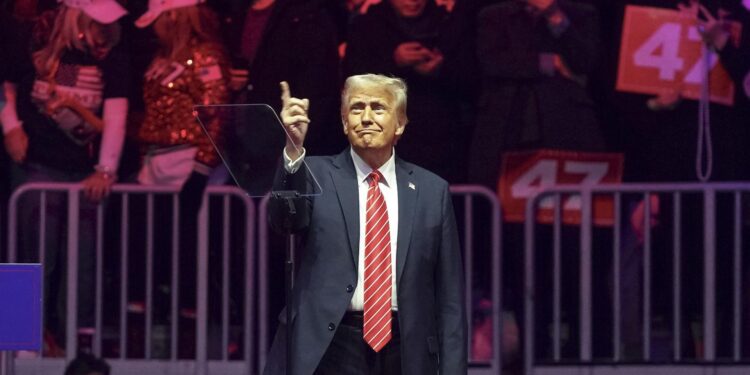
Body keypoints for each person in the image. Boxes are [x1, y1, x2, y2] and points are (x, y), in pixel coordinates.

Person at [263, 74, 467, 374]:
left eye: (378, 108)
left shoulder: (432, 191)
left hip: (405, 348)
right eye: (357, 109)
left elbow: (449, 298)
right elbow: (284, 221)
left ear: (400, 123)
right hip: (330, 344)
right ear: (345, 123)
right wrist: (293, 152)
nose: (366, 117)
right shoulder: (315, 173)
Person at [1, 0, 130, 351]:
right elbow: (6, 85)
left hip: (83, 171)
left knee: (83, 262)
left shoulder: (111, 54)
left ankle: (78, 344)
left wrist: (106, 169)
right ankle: (16, 341)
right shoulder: (33, 38)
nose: (103, 28)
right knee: (27, 255)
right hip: (35, 165)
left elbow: (117, 112)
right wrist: (10, 126)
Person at [133, 0, 230, 357]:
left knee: (188, 252)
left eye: (158, 17)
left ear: (173, 15)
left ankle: (196, 346)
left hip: (188, 165)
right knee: (154, 251)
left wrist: (202, 167)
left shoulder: (205, 55)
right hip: (155, 164)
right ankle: (157, 333)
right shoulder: (162, 55)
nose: (154, 26)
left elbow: (216, 111)